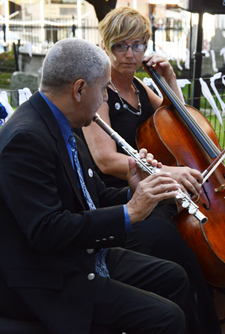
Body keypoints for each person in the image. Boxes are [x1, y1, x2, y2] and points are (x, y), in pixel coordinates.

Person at [81, 6, 225, 334]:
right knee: (182, 254)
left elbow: (182, 124)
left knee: (214, 243)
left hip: (157, 189)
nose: (130, 54)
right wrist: (165, 172)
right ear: (106, 45)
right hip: (123, 195)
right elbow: (105, 159)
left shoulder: (137, 88)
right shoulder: (101, 92)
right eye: (121, 45)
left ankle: (215, 320)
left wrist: (169, 81)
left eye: (138, 45)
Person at [0, 37, 190, 333]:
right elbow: (47, 231)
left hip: (81, 256)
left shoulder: (65, 125)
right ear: (79, 89)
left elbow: (93, 198)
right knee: (166, 317)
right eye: (103, 89)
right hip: (47, 276)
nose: (104, 99)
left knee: (174, 276)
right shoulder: (26, 139)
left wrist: (135, 191)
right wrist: (130, 212)